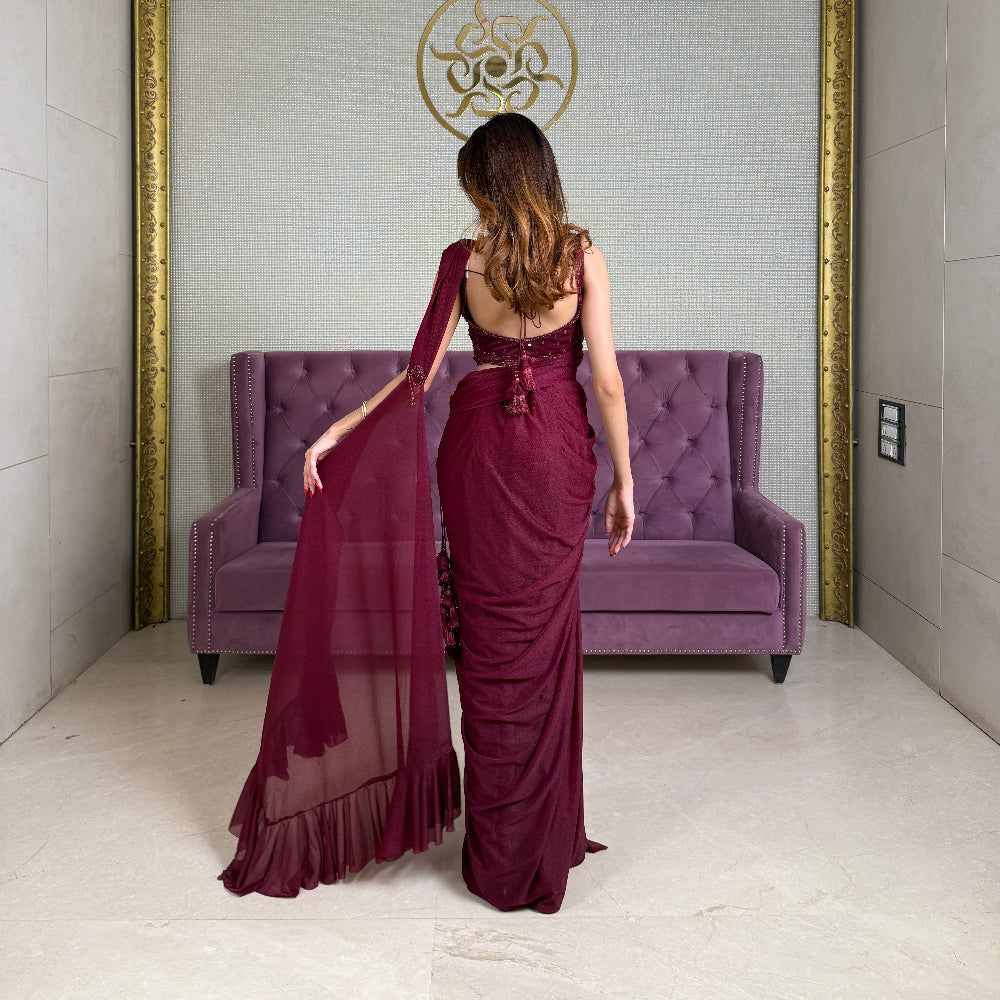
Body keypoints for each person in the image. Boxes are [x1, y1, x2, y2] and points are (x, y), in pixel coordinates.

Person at [219, 112, 634, 913]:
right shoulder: (583, 257)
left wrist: (341, 428)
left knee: (487, 649)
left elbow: (418, 376)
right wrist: (625, 483)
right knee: (542, 642)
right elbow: (609, 383)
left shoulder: (464, 261)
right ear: (541, 173)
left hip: (478, 453)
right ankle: (535, 846)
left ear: (486, 181)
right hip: (557, 456)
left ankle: (500, 853)